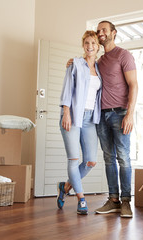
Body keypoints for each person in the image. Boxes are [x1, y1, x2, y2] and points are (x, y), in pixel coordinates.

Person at [67, 21, 138, 218]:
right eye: (98, 31)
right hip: (101, 115)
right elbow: (86, 72)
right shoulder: (99, 61)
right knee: (108, 158)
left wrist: (130, 114)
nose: (100, 33)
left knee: (123, 157)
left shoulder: (124, 55)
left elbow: (134, 85)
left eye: (104, 30)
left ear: (114, 33)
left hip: (121, 113)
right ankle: (113, 199)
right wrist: (73, 62)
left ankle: (125, 202)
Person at [56, 30, 102, 215]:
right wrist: (66, 112)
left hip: (91, 118)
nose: (90, 46)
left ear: (98, 47)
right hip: (73, 115)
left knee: (91, 161)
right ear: (83, 45)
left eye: (93, 43)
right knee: (74, 159)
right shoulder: (75, 63)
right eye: (87, 43)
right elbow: (67, 89)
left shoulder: (99, 69)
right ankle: (81, 199)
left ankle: (65, 186)